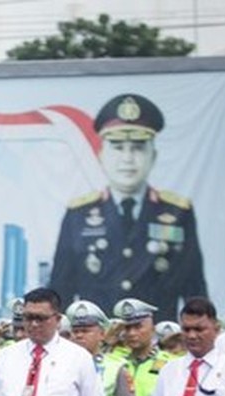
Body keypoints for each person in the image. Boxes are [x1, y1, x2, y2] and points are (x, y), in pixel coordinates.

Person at [49, 93, 205, 320]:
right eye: (118, 147)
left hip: (158, 342)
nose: (128, 159)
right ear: (102, 155)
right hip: (97, 342)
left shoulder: (177, 212)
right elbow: (60, 291)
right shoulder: (78, 214)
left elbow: (195, 290)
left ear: (154, 155)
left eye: (138, 148)